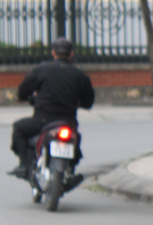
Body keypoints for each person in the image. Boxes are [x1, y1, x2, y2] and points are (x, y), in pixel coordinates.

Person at [8, 38, 95, 177]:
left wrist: (23, 97)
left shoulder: (42, 69)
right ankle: (70, 168)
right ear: (71, 54)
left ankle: (24, 165)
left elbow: (24, 89)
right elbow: (88, 101)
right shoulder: (80, 75)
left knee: (19, 128)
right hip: (68, 121)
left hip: (44, 120)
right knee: (76, 138)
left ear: (53, 53)